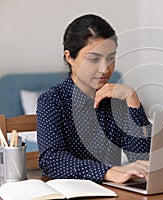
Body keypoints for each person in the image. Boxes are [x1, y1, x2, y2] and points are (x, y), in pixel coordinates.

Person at [37, 14, 152, 184]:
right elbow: (52, 160)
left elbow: (142, 157)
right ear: (70, 57)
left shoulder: (116, 99)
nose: (105, 69)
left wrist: (132, 99)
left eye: (111, 58)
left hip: (115, 192)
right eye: (93, 59)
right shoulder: (52, 101)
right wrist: (108, 172)